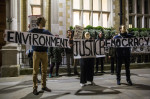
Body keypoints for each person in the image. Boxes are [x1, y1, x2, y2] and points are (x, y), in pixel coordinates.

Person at [30, 17, 52, 95]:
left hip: (44, 53)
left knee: (44, 71)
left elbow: (55, 39)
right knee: (35, 71)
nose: (45, 22)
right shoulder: (33, 31)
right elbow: (23, 36)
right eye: (43, 21)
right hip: (36, 52)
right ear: (39, 22)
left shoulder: (47, 32)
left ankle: (43, 86)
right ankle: (35, 87)